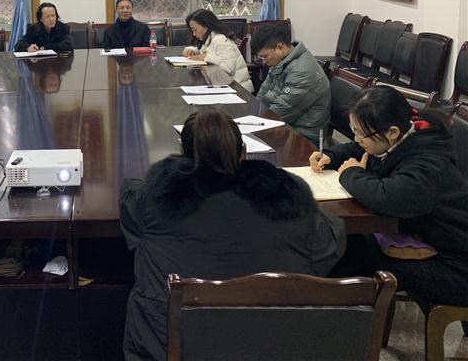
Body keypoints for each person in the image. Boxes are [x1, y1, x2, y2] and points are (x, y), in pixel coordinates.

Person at [120, 108, 345, 361]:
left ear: (184, 157)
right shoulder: (287, 201)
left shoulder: (153, 199)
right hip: (271, 345)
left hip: (173, 346)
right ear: (243, 154)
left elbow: (132, 204)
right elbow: (329, 241)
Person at [310, 86, 468, 307]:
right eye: (354, 130)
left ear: (392, 132)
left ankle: (347, 321)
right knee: (343, 243)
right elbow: (360, 149)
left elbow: (387, 197)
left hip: (453, 265)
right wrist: (330, 155)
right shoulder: (402, 137)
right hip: (421, 238)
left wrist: (351, 173)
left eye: (361, 133)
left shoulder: (428, 162)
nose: (357, 138)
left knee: (349, 257)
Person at [251, 24, 330, 143]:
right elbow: (263, 92)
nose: (264, 61)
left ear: (280, 47)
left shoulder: (302, 72)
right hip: (285, 125)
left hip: (304, 137)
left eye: (264, 56)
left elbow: (281, 113)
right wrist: (254, 112)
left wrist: (253, 121)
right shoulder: (281, 61)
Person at [181, 9, 253, 92]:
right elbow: (207, 50)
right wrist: (193, 50)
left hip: (239, 89)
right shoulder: (210, 37)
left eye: (195, 30)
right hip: (227, 85)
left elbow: (229, 69)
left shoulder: (219, 39)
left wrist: (206, 57)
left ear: (206, 25)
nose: (194, 34)